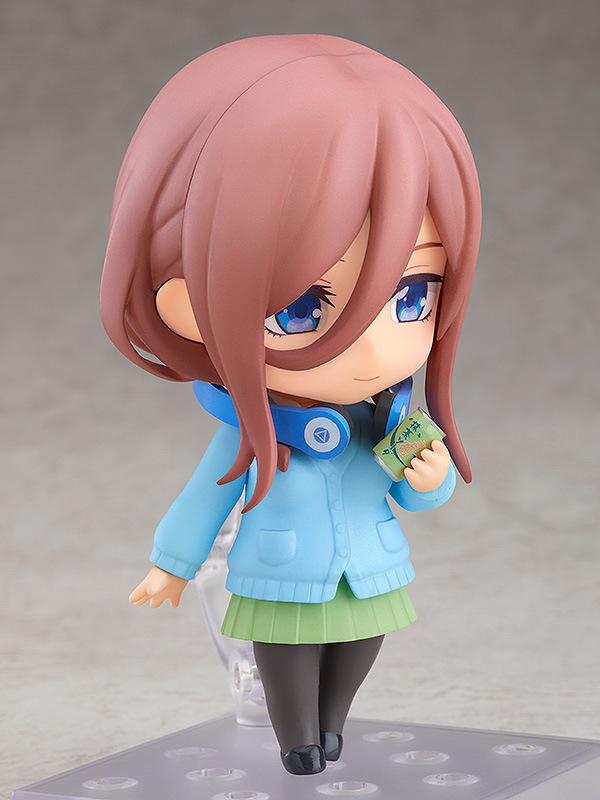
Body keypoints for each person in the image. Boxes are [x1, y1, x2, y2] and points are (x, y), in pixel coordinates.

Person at [100, 34, 481, 775]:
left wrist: (430, 478)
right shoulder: (254, 428)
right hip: (279, 569)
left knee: (362, 638)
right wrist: (171, 564)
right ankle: (299, 741)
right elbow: (207, 492)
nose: (371, 347)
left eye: (412, 296)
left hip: (369, 564)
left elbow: (416, 491)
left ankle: (332, 726)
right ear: (182, 300)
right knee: (285, 653)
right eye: (303, 306)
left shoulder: (392, 415)